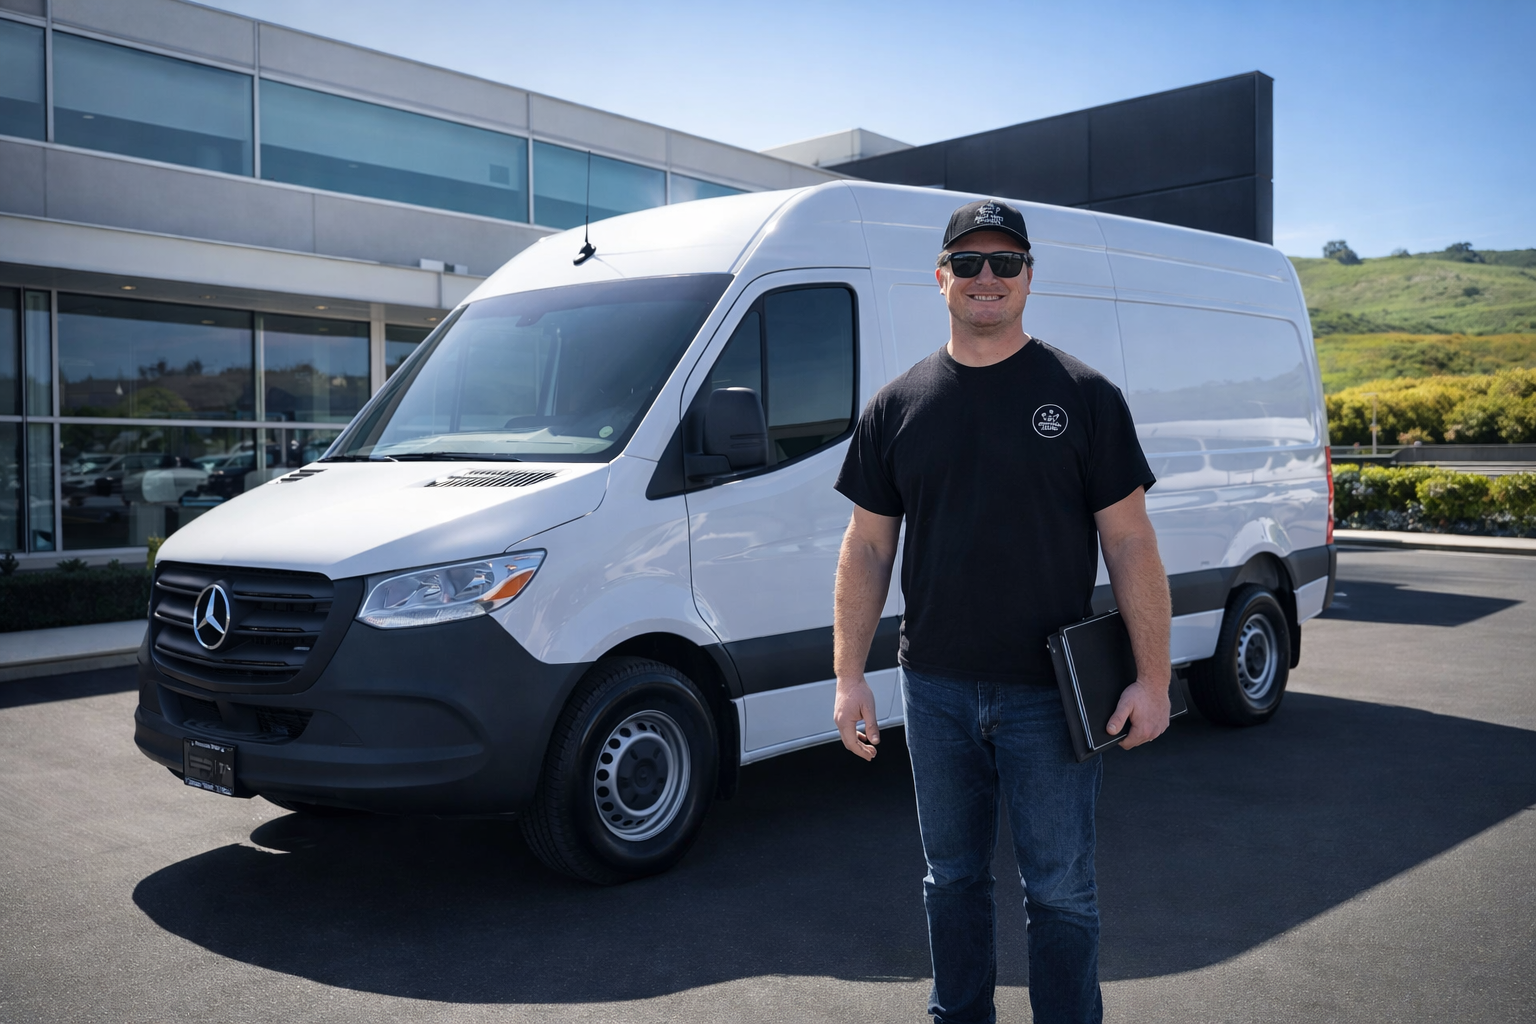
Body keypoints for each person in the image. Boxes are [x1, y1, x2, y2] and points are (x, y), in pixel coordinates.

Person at [831, 198, 1172, 1024]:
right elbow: (868, 547)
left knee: (1060, 891)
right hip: (936, 686)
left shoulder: (1085, 397)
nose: (989, 278)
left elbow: (1129, 543)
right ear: (941, 277)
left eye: (1006, 263)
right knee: (950, 880)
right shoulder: (898, 405)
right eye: (971, 263)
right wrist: (849, 678)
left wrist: (1153, 679)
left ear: (1028, 278)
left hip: (1048, 693)